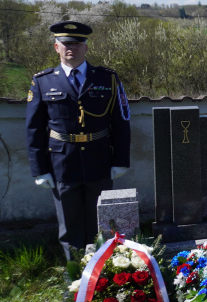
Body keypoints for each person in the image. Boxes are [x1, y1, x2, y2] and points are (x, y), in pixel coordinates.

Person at [26, 21, 131, 257]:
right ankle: (74, 276)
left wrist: (120, 160)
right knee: (69, 224)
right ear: (56, 47)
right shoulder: (42, 81)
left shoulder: (108, 79)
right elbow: (33, 129)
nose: (71, 48)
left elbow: (121, 122)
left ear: (86, 47)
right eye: (65, 44)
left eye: (77, 43)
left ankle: (104, 273)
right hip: (62, 162)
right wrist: (39, 169)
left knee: (102, 221)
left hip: (99, 158)